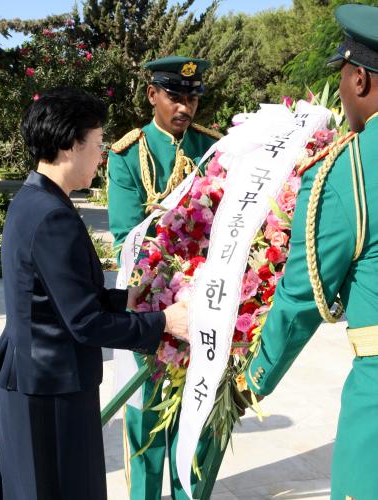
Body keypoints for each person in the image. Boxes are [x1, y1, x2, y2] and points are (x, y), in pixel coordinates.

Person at [0, 87, 189, 500]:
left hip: (34, 375)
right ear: (70, 144)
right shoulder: (53, 217)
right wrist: (164, 322)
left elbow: (53, 296)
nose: (101, 157)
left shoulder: (33, 199)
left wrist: (124, 299)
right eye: (97, 145)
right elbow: (83, 323)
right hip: (50, 387)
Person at [244, 4, 378, 499]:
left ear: (360, 79)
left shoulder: (350, 171)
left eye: (342, 76)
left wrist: (251, 379)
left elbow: (302, 298)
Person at [108, 56, 222, 499]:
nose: (185, 107)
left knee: (201, 414)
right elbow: (125, 239)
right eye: (175, 96)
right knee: (148, 420)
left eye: (192, 98)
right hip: (153, 304)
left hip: (209, 303)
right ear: (152, 94)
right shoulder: (128, 154)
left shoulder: (212, 148)